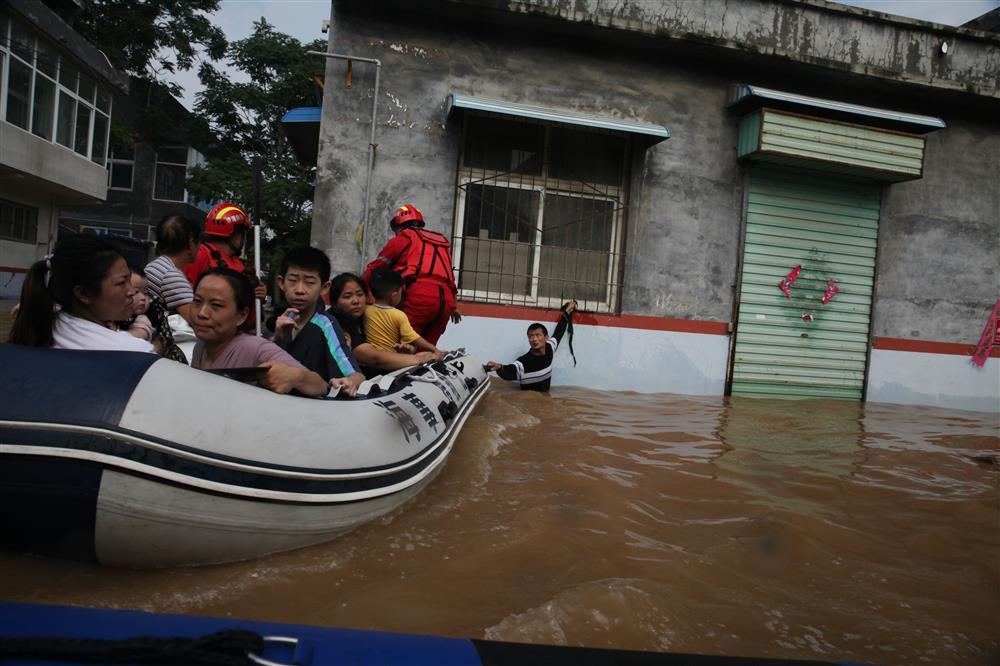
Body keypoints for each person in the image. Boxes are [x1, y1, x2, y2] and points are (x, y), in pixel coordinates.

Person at [190, 268, 328, 397]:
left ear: (242, 315)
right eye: (197, 301)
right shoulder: (200, 347)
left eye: (216, 305)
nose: (202, 313)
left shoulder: (254, 347)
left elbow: (320, 384)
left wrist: (296, 377)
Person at [7, 235, 155, 353]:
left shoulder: (39, 327)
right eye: (122, 282)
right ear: (84, 293)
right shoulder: (133, 352)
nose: (132, 291)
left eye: (129, 279)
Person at [272, 247, 364, 397]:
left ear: (324, 287)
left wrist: (349, 382)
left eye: (309, 282)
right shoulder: (280, 322)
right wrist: (277, 339)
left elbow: (356, 375)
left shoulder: (326, 325)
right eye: (293, 280)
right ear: (281, 283)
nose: (300, 289)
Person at [363, 204, 461, 345]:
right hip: (445, 303)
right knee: (426, 351)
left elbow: (375, 268)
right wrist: (454, 306)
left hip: (420, 297)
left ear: (398, 225)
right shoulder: (439, 244)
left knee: (400, 345)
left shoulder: (402, 239)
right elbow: (448, 278)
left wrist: (365, 293)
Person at [328, 272, 437, 378]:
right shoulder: (335, 324)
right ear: (334, 302)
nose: (356, 301)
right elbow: (374, 358)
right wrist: (418, 359)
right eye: (347, 296)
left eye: (360, 294)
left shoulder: (364, 317)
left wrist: (405, 353)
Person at [485, 300, 577, 392]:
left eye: (538, 335)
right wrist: (499, 367)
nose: (534, 339)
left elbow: (559, 333)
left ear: (546, 338)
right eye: (531, 336)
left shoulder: (550, 348)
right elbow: (510, 371)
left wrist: (567, 312)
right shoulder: (523, 362)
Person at [183, 202, 267, 302]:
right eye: (243, 234)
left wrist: (259, 295)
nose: (245, 240)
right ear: (234, 234)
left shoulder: (237, 263)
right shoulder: (200, 255)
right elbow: (184, 296)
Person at [364, 267, 443, 358]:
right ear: (394, 295)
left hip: (369, 358)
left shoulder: (366, 310)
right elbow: (414, 338)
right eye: (401, 292)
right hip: (392, 360)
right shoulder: (399, 315)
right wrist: (434, 349)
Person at [145, 213, 200, 324]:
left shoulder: (153, 266)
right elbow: (195, 320)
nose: (200, 246)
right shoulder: (171, 276)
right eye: (199, 242)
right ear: (190, 244)